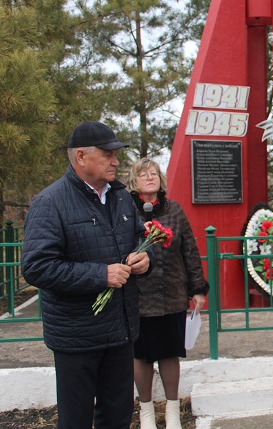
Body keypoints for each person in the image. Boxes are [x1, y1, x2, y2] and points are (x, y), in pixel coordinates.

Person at [22, 121, 151, 429]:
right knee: (76, 420)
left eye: (116, 154)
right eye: (108, 154)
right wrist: (99, 275)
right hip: (77, 337)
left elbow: (138, 238)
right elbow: (37, 266)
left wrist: (146, 258)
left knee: (118, 417)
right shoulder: (50, 203)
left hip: (120, 332)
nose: (116, 161)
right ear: (81, 157)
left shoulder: (121, 197)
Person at [126, 158, 210, 429]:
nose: (149, 177)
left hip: (172, 292)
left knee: (170, 353)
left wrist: (198, 288)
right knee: (141, 356)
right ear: (134, 181)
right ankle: (147, 412)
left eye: (153, 173)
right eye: (143, 174)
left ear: (160, 180)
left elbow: (190, 250)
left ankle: (172, 412)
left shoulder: (174, 210)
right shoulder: (125, 210)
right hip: (138, 297)